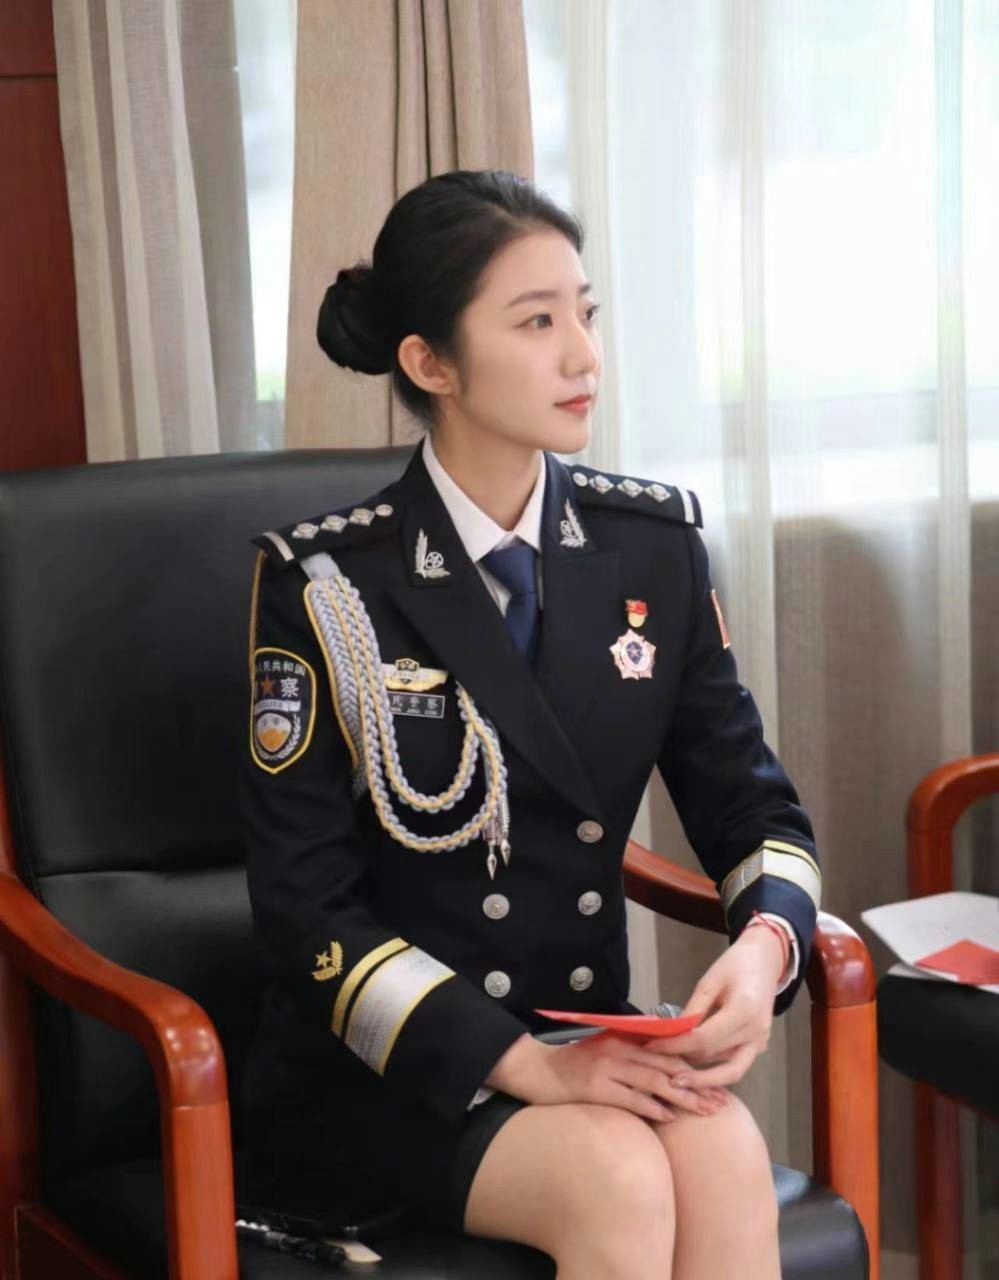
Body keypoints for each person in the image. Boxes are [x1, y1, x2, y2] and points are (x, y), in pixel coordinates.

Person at [238, 169, 820, 1280]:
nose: (583, 356)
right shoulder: (327, 585)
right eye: (537, 322)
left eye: (585, 313)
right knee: (617, 1175)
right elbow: (304, 910)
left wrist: (762, 951)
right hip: (388, 1071)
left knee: (723, 1149)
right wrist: (522, 1063)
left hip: (582, 1032)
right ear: (431, 363)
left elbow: (754, 809)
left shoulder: (650, 549)